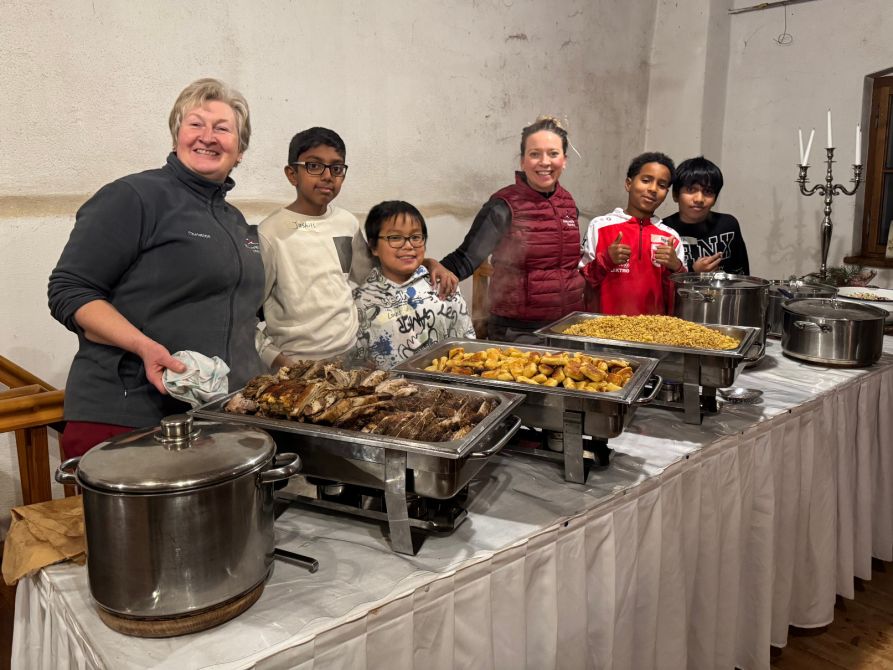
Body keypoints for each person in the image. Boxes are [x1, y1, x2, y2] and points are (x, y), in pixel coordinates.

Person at [48, 78, 265, 458]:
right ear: (176, 135)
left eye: (222, 128)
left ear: (240, 150)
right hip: (130, 416)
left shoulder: (234, 222)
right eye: (195, 124)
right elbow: (70, 290)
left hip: (211, 420)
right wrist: (144, 347)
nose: (208, 137)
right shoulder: (134, 197)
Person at [256, 127, 457, 370]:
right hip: (295, 362)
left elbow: (375, 274)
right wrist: (278, 361)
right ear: (292, 174)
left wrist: (430, 263)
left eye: (337, 168)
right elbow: (243, 317)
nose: (327, 176)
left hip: (349, 357)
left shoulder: (346, 223)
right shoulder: (271, 234)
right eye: (314, 166)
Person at [439, 116, 584, 343]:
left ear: (564, 160)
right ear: (522, 161)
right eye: (535, 154)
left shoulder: (568, 203)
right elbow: (466, 258)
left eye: (553, 154)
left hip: (566, 328)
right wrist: (421, 275)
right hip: (518, 332)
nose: (544, 162)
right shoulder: (503, 205)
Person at [353, 201, 475, 369]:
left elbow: (468, 347)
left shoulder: (443, 285)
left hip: (452, 390)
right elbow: (358, 365)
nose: (408, 245)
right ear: (374, 247)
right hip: (391, 391)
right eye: (395, 238)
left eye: (416, 237)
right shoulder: (361, 301)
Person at [579, 152, 685, 315]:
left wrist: (676, 268)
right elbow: (581, 283)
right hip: (601, 330)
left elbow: (679, 298)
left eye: (662, 185)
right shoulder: (600, 226)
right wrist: (605, 260)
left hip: (651, 334)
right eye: (646, 180)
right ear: (629, 184)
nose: (653, 189)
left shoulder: (672, 238)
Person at [662, 156, 750, 275]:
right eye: (691, 189)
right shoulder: (663, 230)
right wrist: (694, 273)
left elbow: (742, 274)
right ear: (676, 195)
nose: (699, 199)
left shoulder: (728, 225)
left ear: (715, 199)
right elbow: (659, 284)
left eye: (708, 191)